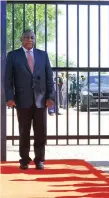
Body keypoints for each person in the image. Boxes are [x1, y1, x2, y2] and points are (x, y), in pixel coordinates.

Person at [5, 29, 54, 170]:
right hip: (22, 100)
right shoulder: (13, 55)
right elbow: (8, 79)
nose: (29, 39)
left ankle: (39, 160)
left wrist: (50, 97)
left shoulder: (42, 55)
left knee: (40, 132)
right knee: (24, 132)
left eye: (32, 37)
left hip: (41, 100)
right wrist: (9, 97)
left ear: (35, 39)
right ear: (21, 39)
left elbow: (49, 77)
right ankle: (24, 160)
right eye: (26, 37)